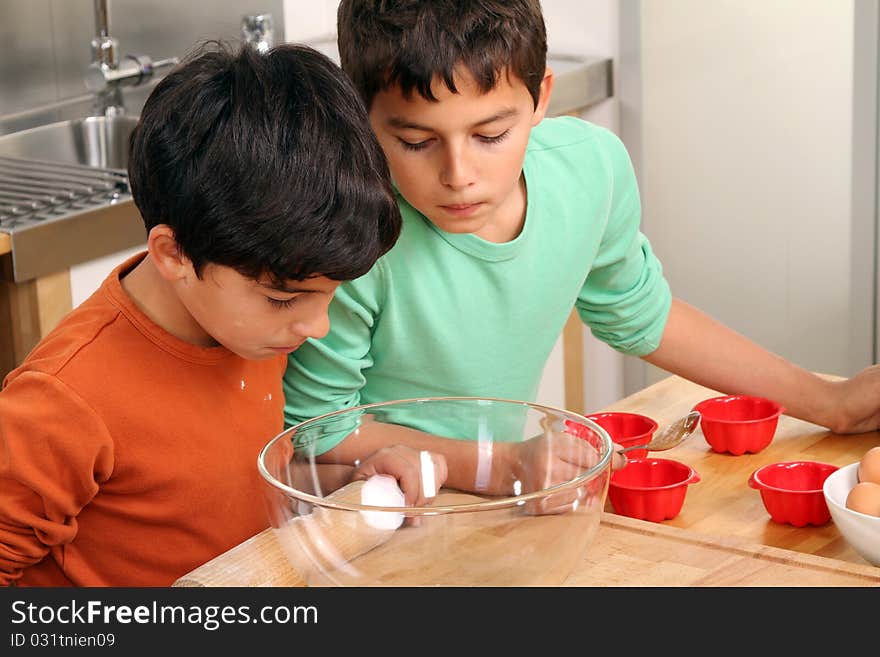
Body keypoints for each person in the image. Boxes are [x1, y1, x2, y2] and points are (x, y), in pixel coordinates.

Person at [282, 0, 880, 497]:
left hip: (499, 505)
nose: (459, 174)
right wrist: (500, 464)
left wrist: (832, 403)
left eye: (491, 135)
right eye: (416, 141)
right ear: (362, 115)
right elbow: (316, 435)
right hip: (369, 517)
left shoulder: (589, 169)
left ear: (542, 97)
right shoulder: (351, 227)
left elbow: (646, 316)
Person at [0, 40, 447, 587]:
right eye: (285, 298)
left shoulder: (250, 332)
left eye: (328, 294)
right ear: (175, 256)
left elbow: (221, 491)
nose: (316, 327)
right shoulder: (63, 401)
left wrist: (349, 480)